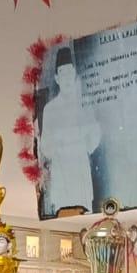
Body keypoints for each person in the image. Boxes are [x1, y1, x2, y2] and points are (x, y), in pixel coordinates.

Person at [38, 48, 101, 216]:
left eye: (68, 72)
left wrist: (85, 145)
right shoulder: (50, 109)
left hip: (80, 166)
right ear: (57, 78)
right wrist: (58, 142)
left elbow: (95, 131)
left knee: (85, 212)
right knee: (65, 213)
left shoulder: (84, 104)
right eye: (62, 73)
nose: (66, 77)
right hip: (61, 170)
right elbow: (45, 145)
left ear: (73, 74)